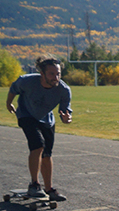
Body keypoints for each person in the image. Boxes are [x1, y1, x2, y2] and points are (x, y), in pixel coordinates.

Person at [6, 54, 73, 201]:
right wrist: (9, 103)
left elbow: (65, 112)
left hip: (46, 120)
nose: (56, 77)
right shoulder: (27, 81)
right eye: (51, 74)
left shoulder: (64, 90)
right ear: (42, 74)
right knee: (37, 145)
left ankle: (49, 189)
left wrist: (66, 119)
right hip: (26, 114)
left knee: (47, 154)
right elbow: (14, 88)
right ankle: (34, 185)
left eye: (58, 74)